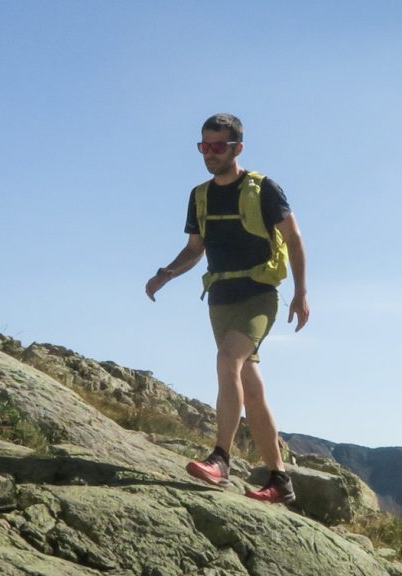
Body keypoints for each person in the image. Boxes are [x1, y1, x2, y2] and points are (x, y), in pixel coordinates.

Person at [145, 113, 309, 504]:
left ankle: (221, 459)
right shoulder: (199, 195)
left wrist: (301, 292)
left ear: (237, 148)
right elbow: (194, 249)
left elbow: (295, 239)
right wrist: (166, 274)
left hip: (259, 295)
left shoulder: (264, 189)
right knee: (250, 389)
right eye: (204, 146)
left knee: (226, 360)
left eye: (218, 146)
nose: (210, 154)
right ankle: (280, 480)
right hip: (219, 298)